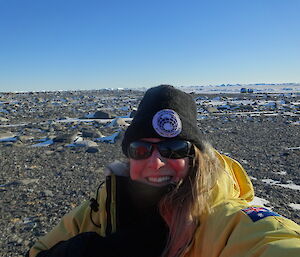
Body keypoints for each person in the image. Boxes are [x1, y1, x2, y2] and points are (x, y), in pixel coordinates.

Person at [27, 85, 300, 257]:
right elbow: (38, 250)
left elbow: (275, 242)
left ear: (195, 158)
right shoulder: (102, 206)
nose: (156, 162)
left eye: (175, 149)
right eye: (141, 149)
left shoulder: (223, 219)